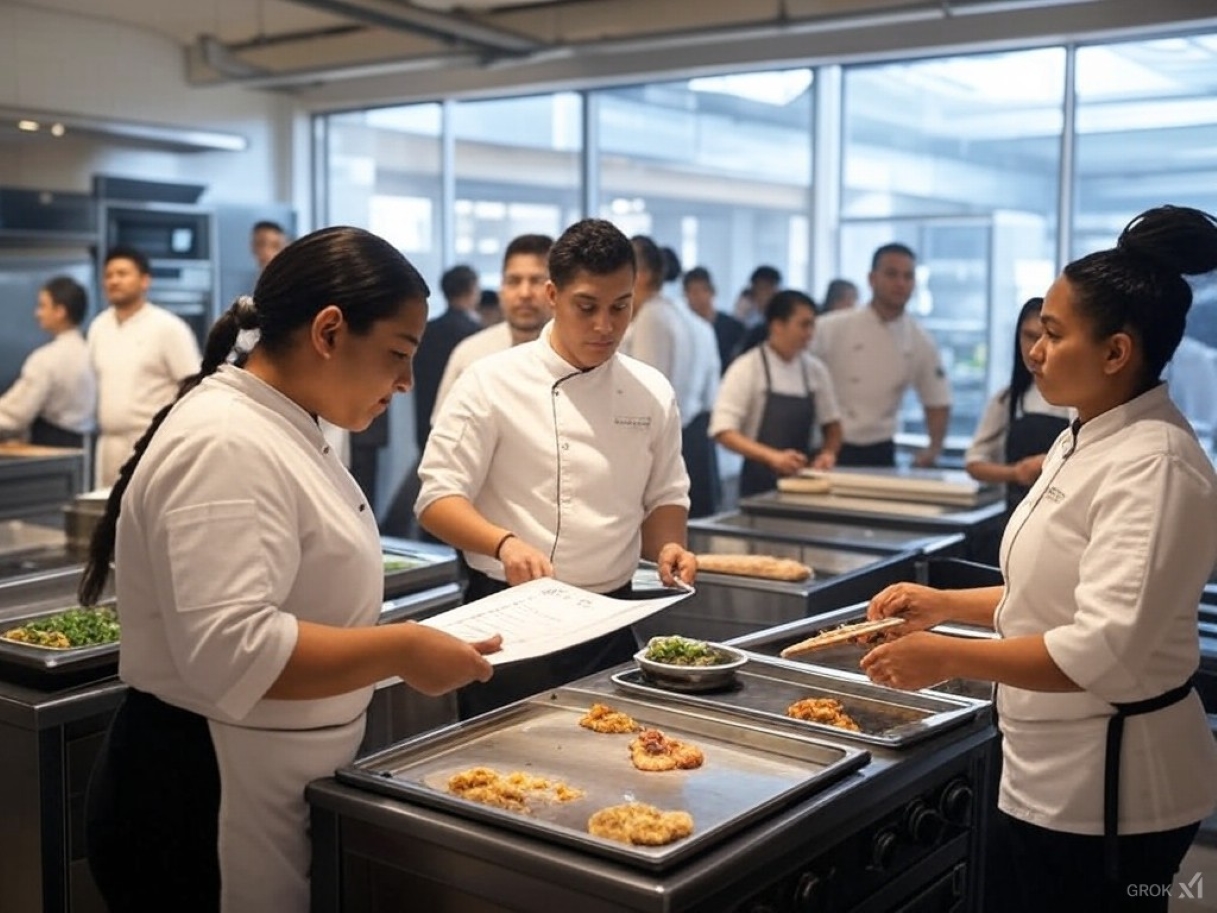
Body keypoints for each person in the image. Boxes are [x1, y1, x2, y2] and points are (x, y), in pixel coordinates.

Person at [78, 226, 499, 913]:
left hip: (263, 772)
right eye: (397, 353)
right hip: (205, 793)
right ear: (329, 331)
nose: (405, 381)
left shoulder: (284, 423)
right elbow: (233, 651)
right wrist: (400, 648)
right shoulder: (224, 440)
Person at [860, 205, 1217, 913]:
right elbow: (1049, 596)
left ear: (1116, 352)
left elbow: (1103, 648)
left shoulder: (1155, 464)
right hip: (1046, 765)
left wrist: (948, 656)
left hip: (1113, 792)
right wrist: (945, 607)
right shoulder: (1082, 433)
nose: (1033, 351)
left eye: (1051, 334)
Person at [416, 218, 696, 717]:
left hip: (610, 621)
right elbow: (436, 500)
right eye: (586, 307)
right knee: (500, 781)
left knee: (610, 771)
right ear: (553, 295)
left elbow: (666, 495)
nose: (605, 326)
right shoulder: (490, 381)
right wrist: (503, 544)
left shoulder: (651, 391)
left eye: (621, 306)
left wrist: (671, 546)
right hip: (508, 618)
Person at [810, 243, 951, 467]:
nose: (900, 283)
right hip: (826, 446)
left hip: (880, 449)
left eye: (908, 276)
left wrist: (933, 448)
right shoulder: (831, 327)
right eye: (892, 274)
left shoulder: (920, 340)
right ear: (872, 278)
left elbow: (937, 400)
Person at [87, 246, 201, 487]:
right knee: (108, 519)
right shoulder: (98, 326)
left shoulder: (168, 327)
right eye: (108, 275)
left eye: (122, 273)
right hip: (108, 444)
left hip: (152, 443)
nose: (114, 280)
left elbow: (193, 387)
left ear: (145, 281)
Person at [711, 290, 842, 497]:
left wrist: (828, 453)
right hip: (758, 484)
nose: (810, 333)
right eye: (803, 325)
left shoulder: (816, 370)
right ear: (777, 325)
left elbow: (833, 425)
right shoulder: (747, 368)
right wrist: (772, 457)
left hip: (806, 482)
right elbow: (723, 431)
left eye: (812, 325)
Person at [623, 235, 719, 516]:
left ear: (641, 275)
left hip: (667, 442)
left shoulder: (653, 317)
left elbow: (646, 394)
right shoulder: (689, 316)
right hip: (695, 437)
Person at [964, 297, 1072, 515]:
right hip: (1017, 514)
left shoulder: (1079, 399)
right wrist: (1016, 472)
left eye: (1047, 337)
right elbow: (974, 463)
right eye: (1029, 337)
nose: (1035, 349)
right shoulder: (1008, 399)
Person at [432, 234, 553, 420]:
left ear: (557, 289)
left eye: (537, 281)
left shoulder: (582, 355)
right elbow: (444, 428)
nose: (524, 293)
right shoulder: (471, 354)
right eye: (513, 281)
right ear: (501, 288)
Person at [0, 276, 96, 448]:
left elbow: (17, 413)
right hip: (84, 448)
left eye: (43, 306)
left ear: (60, 311)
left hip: (50, 448)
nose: (37, 313)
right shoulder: (90, 352)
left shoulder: (46, 359)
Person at [411, 264, 481, 453]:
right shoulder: (477, 335)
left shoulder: (424, 331)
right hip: (463, 426)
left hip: (425, 418)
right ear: (472, 289)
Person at [684, 265, 745, 373]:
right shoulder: (683, 329)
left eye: (702, 290)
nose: (699, 297)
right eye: (693, 292)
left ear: (712, 292)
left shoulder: (734, 328)